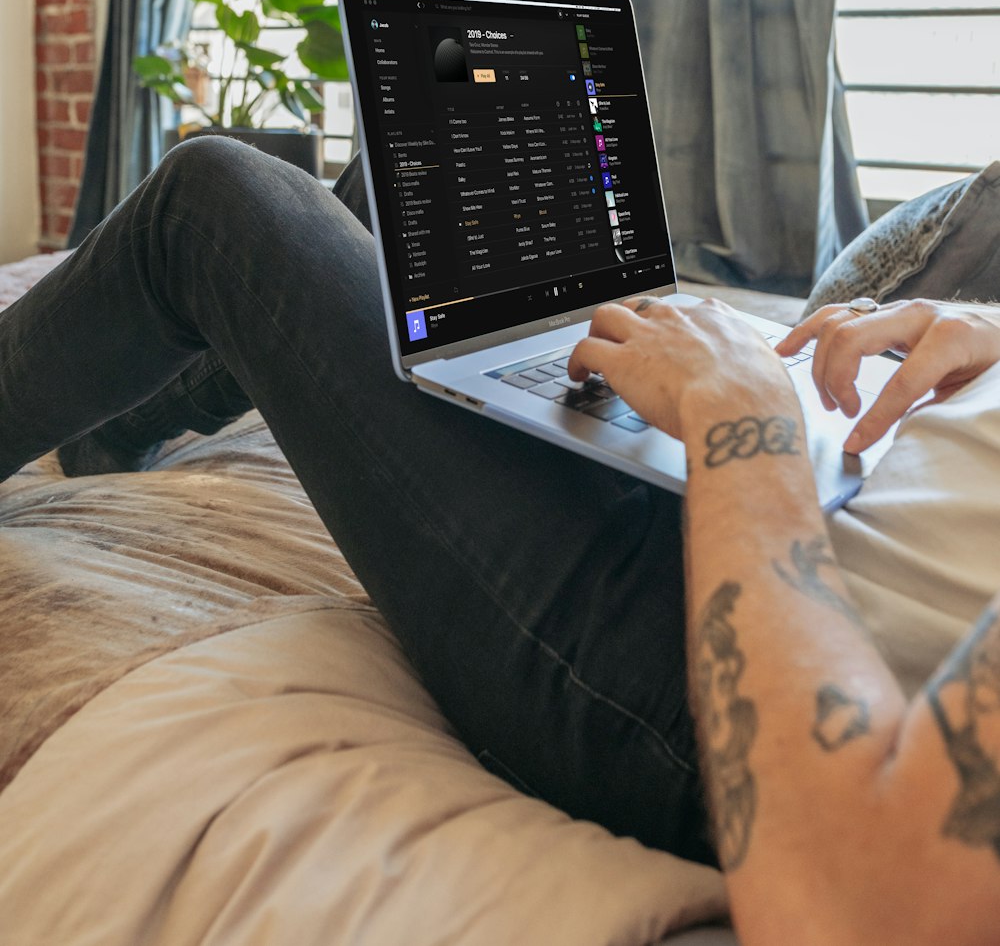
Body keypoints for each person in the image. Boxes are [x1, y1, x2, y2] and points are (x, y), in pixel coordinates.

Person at [2, 134, 999, 946]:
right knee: (395, 201)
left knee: (214, 202)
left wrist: (745, 415)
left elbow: (863, 895)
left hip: (723, 668)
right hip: (796, 491)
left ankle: (125, 397)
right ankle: (129, 406)